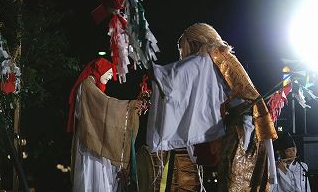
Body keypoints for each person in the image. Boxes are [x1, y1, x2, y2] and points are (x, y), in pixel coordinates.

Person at [146, 23, 277, 191]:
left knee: (232, 179)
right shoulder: (223, 56)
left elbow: (173, 78)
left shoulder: (207, 57)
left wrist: (151, 67)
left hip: (242, 126)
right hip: (254, 124)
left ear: (195, 43)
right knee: (249, 179)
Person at [67, 58, 141, 192]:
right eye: (108, 73)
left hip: (93, 135)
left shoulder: (91, 85)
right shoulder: (87, 85)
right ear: (100, 71)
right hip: (90, 138)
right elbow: (105, 105)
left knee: (97, 176)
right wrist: (129, 106)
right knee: (93, 177)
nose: (111, 76)